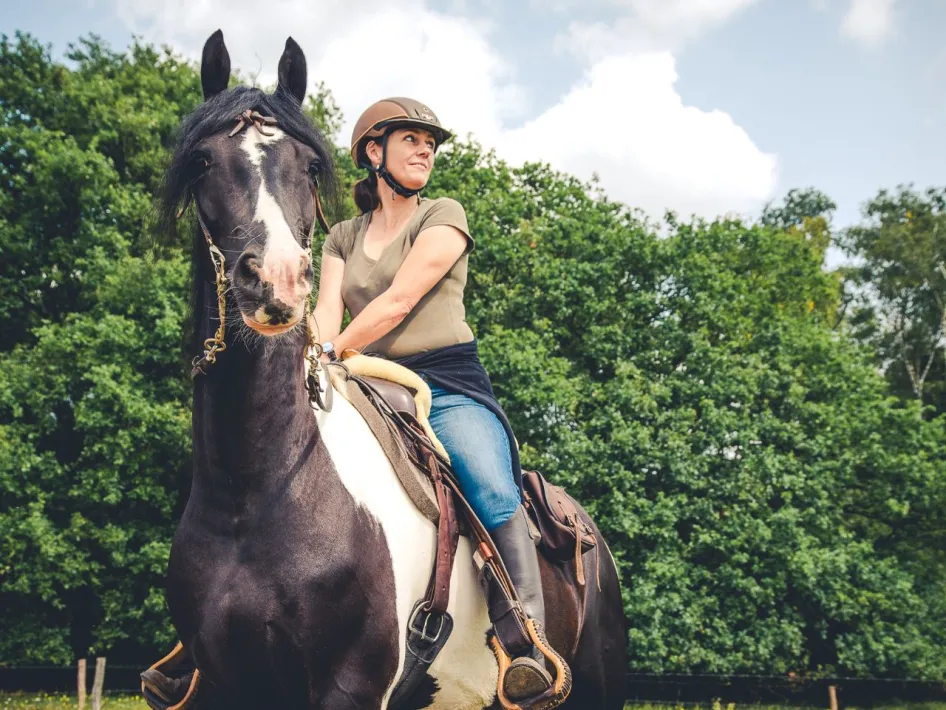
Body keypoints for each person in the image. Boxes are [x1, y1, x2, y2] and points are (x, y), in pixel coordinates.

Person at [311, 97, 561, 702]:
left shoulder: (443, 214)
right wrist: (314, 357)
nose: (427, 149)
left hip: (444, 384)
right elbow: (323, 315)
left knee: (490, 482)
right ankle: (211, 638)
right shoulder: (342, 236)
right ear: (375, 152)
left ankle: (525, 641)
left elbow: (397, 301)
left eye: (431, 142)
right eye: (412, 139)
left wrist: (332, 352)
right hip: (365, 380)